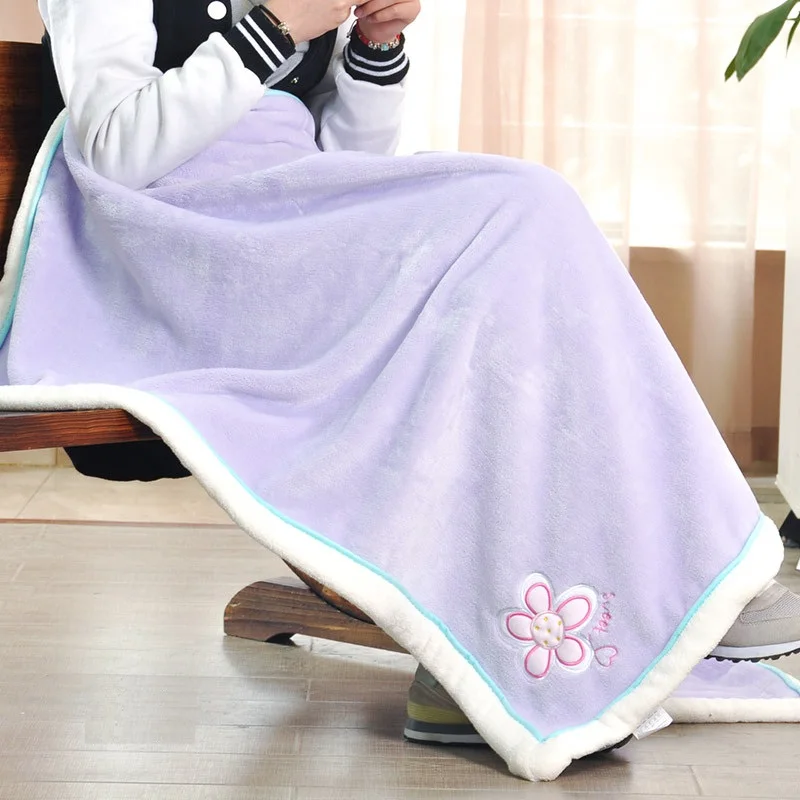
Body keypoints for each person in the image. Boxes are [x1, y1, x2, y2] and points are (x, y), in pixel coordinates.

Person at [20, 0, 800, 772]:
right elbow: (118, 149)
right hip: (185, 244)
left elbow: (345, 155)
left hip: (289, 216)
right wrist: (279, 27)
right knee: (519, 210)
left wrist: (372, 47)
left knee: (522, 232)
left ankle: (633, 586)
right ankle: (677, 573)